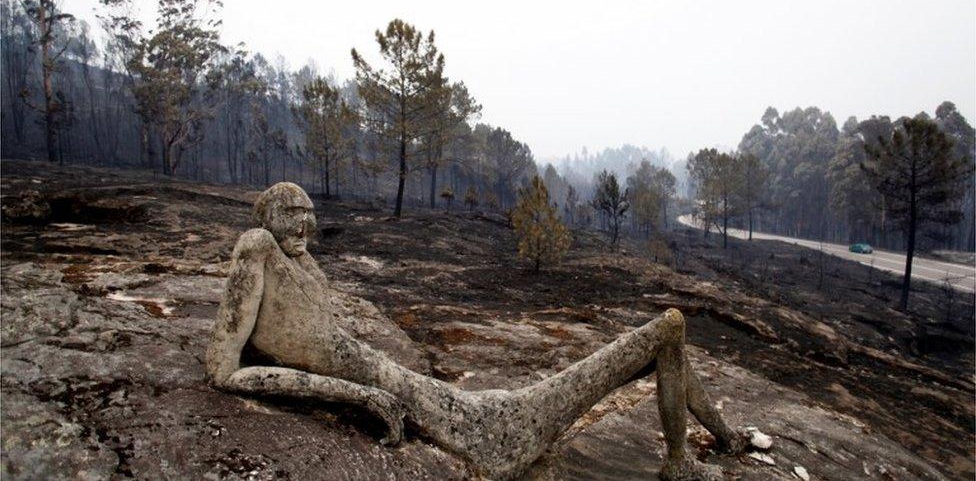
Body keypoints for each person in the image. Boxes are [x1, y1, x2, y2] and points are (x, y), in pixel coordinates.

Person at [207, 182, 749, 480]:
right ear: (265, 216)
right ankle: (688, 460)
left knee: (666, 335)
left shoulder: (303, 267)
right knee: (667, 329)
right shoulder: (256, 248)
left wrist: (367, 386)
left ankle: (712, 446)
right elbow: (225, 372)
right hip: (482, 434)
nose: (302, 224)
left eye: (307, 213)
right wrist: (357, 395)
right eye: (288, 213)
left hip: (468, 408)